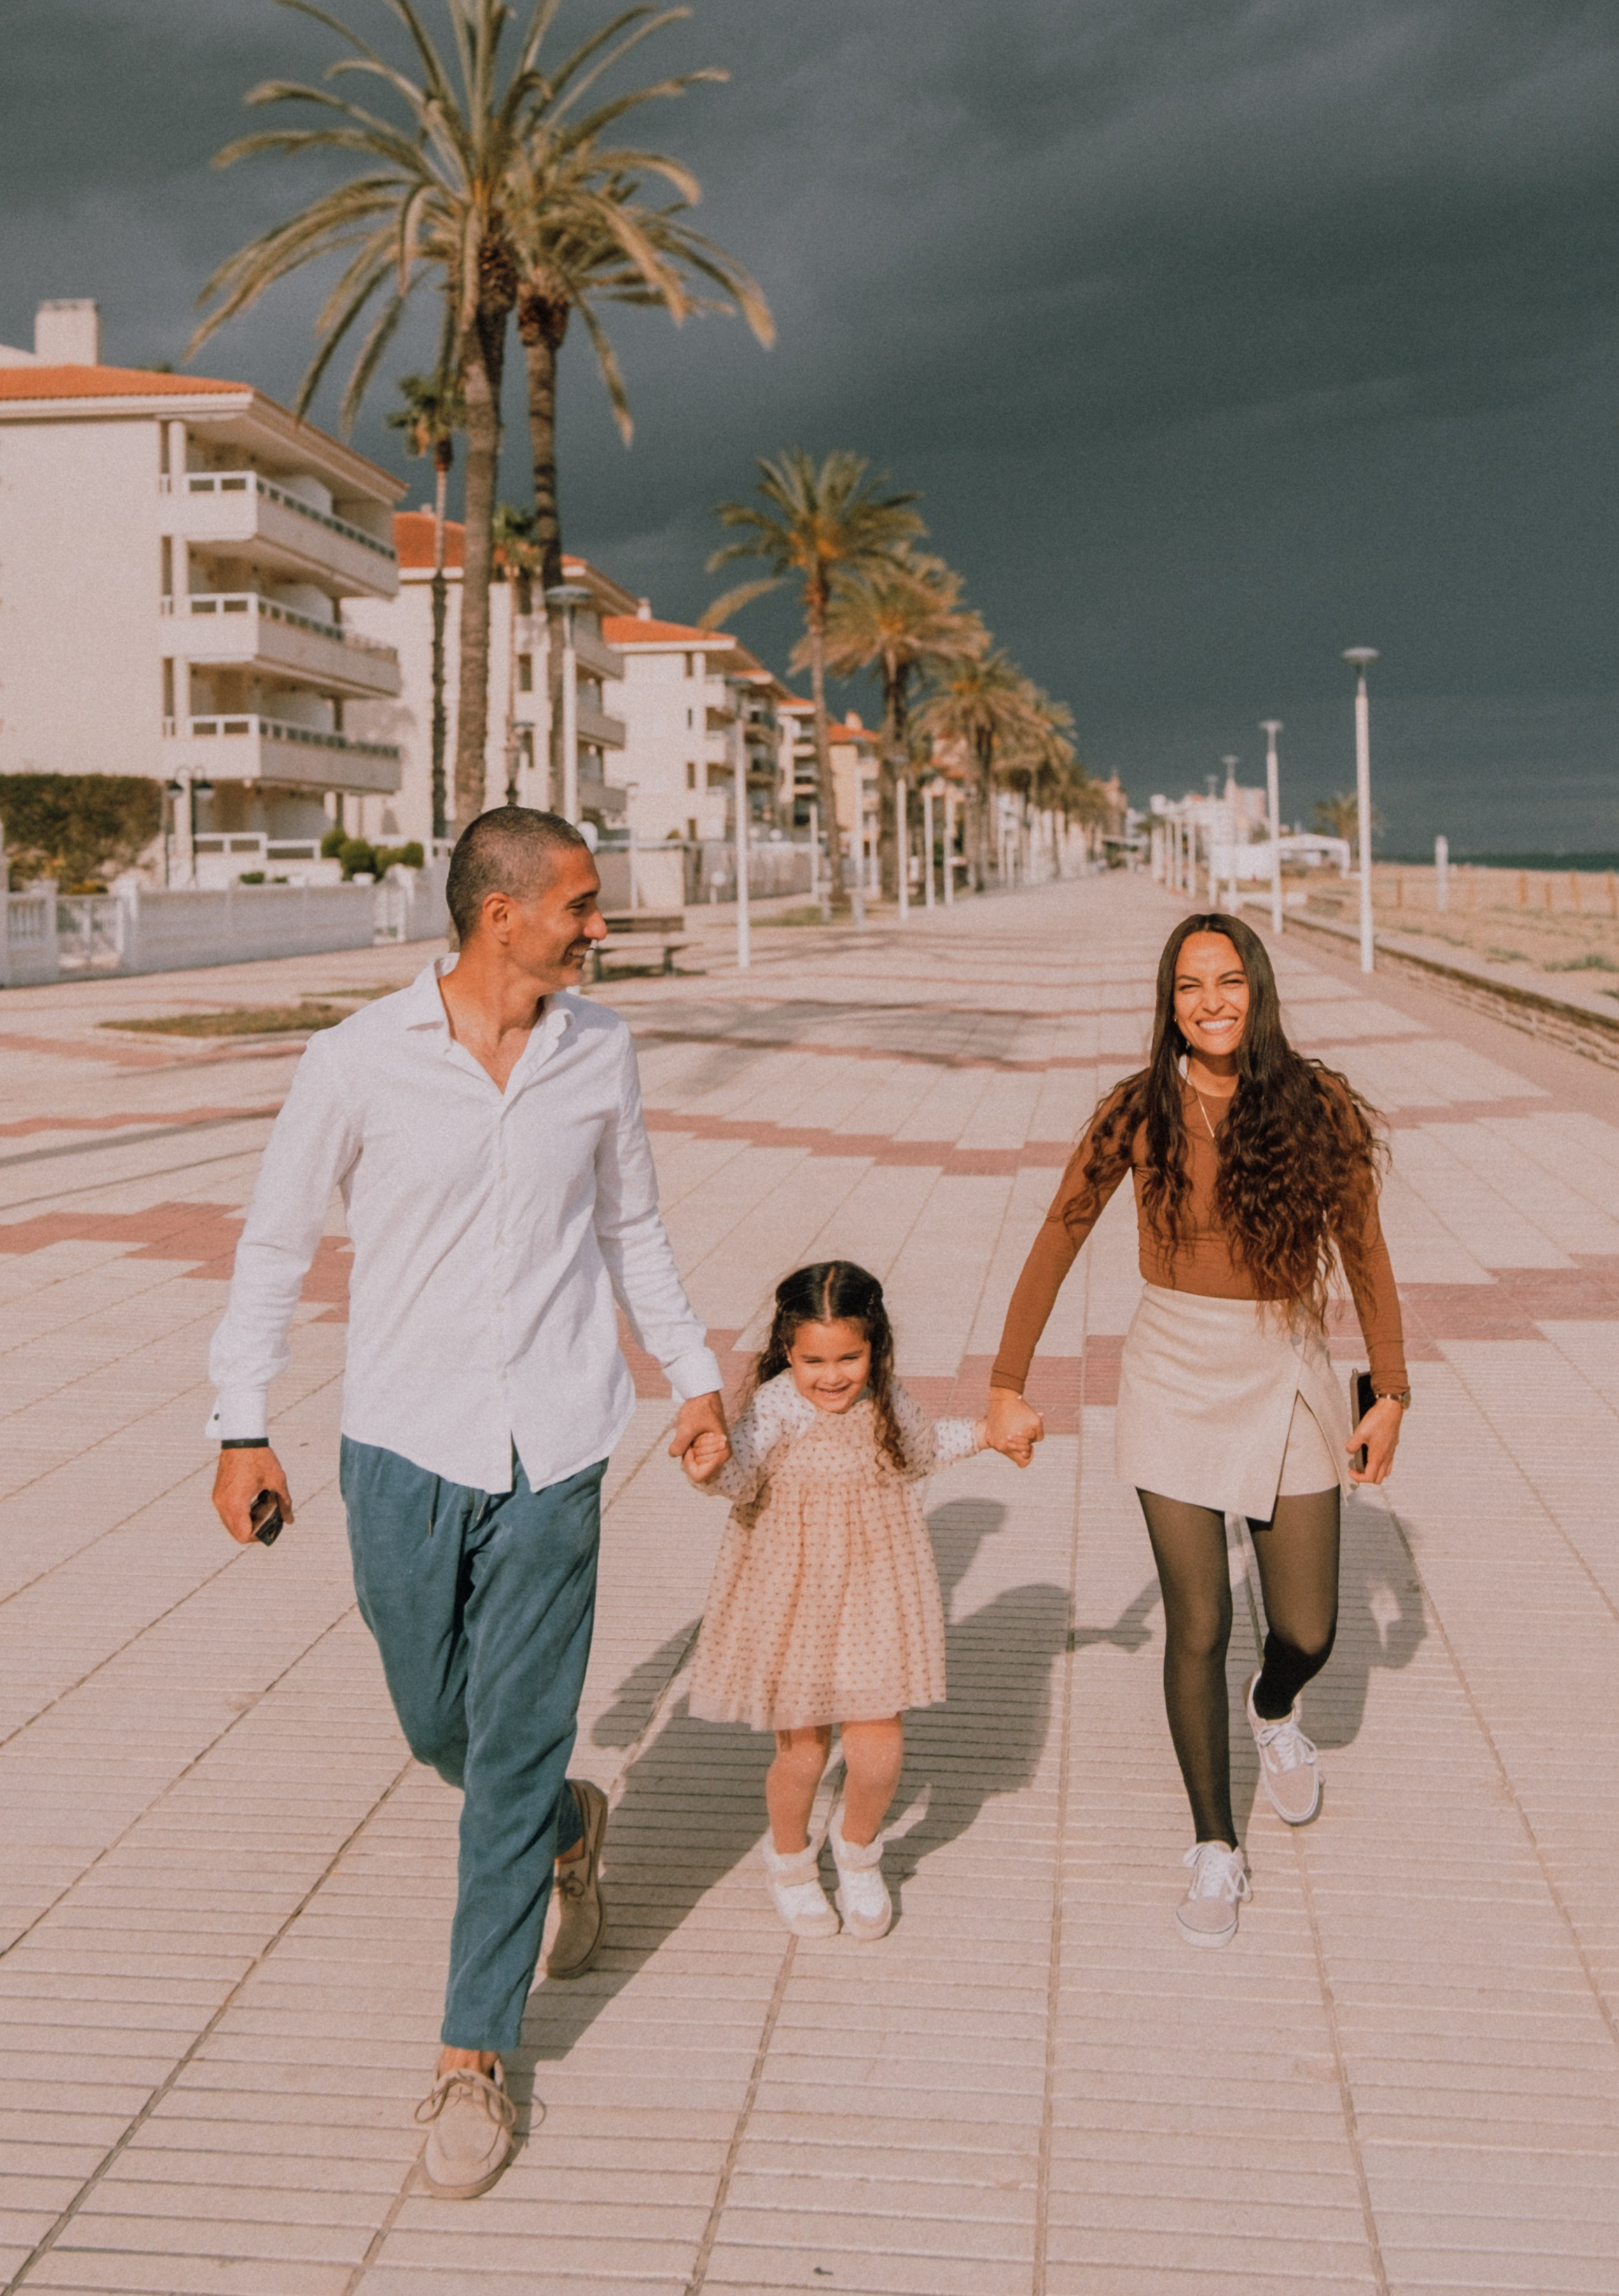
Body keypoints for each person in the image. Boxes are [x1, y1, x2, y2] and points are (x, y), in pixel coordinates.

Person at [207, 808, 730, 2198]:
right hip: (399, 1442)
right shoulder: (354, 1061)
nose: (597, 926)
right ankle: (567, 1824)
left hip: (557, 1440)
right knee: (440, 1725)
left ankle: (471, 2055)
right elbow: (273, 1245)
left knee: (502, 1748)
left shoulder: (598, 1052)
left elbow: (631, 1226)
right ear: (502, 914)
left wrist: (691, 1377)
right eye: (579, 904)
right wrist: (241, 1425)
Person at [985, 911, 1408, 1948]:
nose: (1210, 1001)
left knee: (1309, 1630)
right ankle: (1214, 1844)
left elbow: (1366, 1250)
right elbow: (1056, 1237)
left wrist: (1388, 1392)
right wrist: (1006, 1381)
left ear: (1257, 989)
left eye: (1228, 981)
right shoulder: (1141, 1111)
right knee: (1200, 1621)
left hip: (1291, 1364)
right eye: (1189, 985)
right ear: (1168, 1001)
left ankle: (1275, 1710)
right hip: (1173, 1367)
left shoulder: (1318, 1106)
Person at [682, 1261, 987, 1940]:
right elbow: (739, 1476)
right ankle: (790, 1860)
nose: (831, 1374)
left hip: (876, 1588)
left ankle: (858, 1852)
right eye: (813, 1358)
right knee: (805, 1753)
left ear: (874, 1345)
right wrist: (707, 1470)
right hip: (794, 1597)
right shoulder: (777, 1404)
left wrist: (990, 1434)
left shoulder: (884, 1398)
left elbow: (922, 1449)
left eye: (848, 1356)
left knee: (878, 1748)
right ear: (787, 1349)